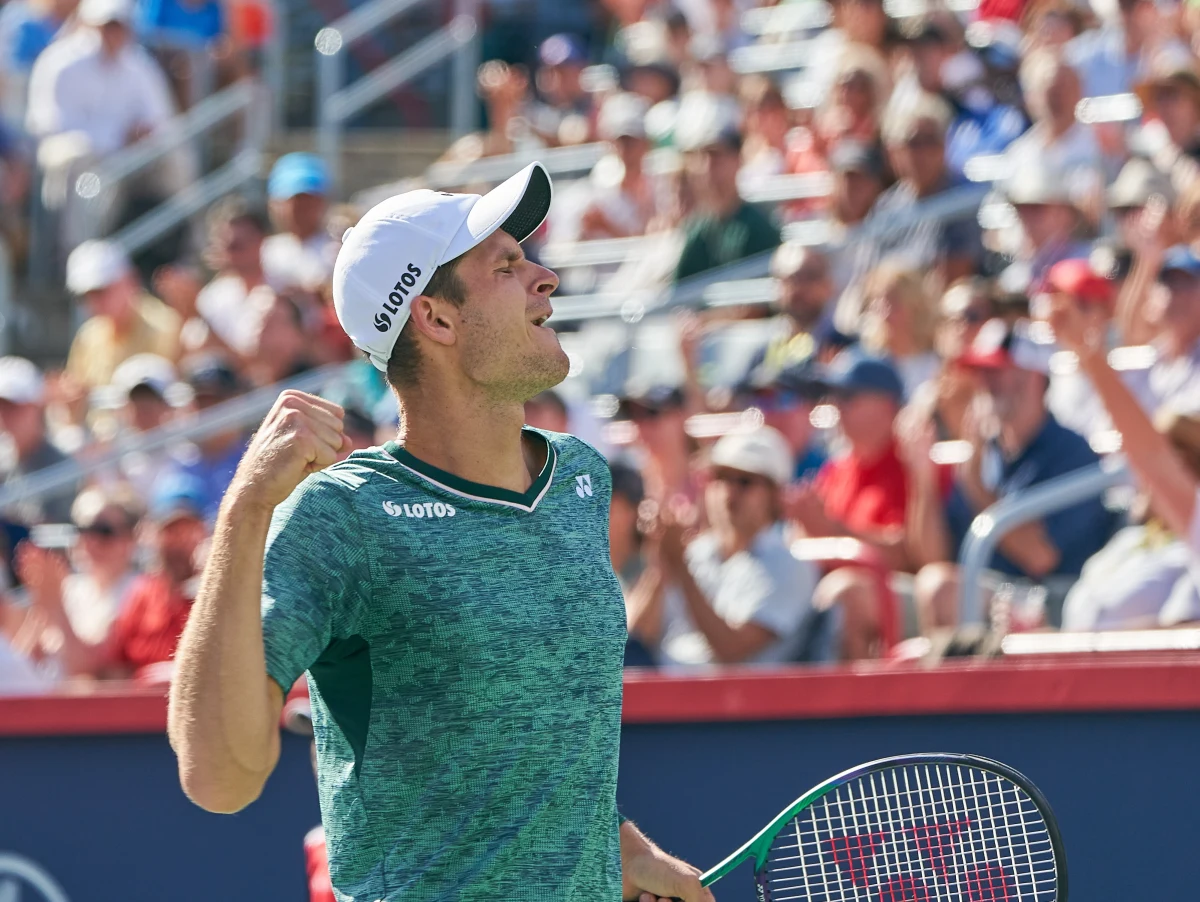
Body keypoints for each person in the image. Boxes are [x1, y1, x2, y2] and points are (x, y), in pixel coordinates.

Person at [166, 163, 713, 902]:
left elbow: (530, 742)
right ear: (437, 318)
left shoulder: (582, 479)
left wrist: (622, 849)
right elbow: (218, 778)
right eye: (508, 265)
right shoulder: (343, 518)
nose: (545, 277)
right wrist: (241, 518)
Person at [904, 318, 1115, 632]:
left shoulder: (1072, 453)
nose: (984, 383)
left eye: (995, 371)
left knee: (941, 590)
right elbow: (932, 557)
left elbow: (1040, 556)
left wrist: (974, 482)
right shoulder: (986, 451)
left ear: (1032, 377)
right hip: (989, 595)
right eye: (982, 373)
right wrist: (923, 479)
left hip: (1049, 604)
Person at [627, 425, 820, 666]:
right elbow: (632, 639)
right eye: (719, 477)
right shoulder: (697, 552)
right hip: (670, 694)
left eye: (744, 481)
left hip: (736, 700)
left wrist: (679, 565)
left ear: (775, 495)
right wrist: (660, 566)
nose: (729, 491)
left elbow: (730, 651)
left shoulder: (790, 565)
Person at [788, 351, 919, 658]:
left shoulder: (910, 466)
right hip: (835, 594)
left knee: (847, 592)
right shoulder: (833, 470)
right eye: (833, 398)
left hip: (898, 597)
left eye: (848, 397)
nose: (836, 408)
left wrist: (830, 530)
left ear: (887, 406)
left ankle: (849, 704)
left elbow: (907, 556)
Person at [18, 473, 205, 678]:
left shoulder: (138, 592)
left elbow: (90, 669)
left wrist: (54, 606)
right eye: (83, 529)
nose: (91, 541)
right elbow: (26, 662)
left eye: (104, 531)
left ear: (131, 539)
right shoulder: (67, 588)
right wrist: (42, 604)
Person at [673, 114, 781, 281]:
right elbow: (679, 292)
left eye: (716, 156)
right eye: (701, 157)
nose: (707, 166)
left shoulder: (758, 227)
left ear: (738, 160)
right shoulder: (695, 228)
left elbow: (757, 301)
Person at [64, 238, 182, 391]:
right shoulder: (88, 336)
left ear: (130, 279)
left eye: (101, 291)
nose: (93, 303)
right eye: (84, 296)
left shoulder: (167, 326)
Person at [155, 354, 249, 522]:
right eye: (201, 402)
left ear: (237, 401)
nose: (209, 412)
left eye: (217, 401)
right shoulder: (179, 463)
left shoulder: (255, 455)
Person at [0, 356, 76, 524]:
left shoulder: (62, 467)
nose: (6, 414)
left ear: (37, 405)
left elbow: (56, 532)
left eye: (14, 406)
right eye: (2, 406)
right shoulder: (3, 459)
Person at [194, 201, 270, 357]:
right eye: (228, 246)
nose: (234, 254)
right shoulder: (210, 299)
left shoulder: (290, 281)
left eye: (239, 245)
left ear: (262, 239)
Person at [859, 262, 941, 400]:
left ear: (915, 305)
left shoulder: (936, 364)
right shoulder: (865, 361)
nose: (885, 310)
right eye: (878, 300)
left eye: (893, 300)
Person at [262, 152, 337, 293]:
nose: (302, 210)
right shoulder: (262, 252)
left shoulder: (340, 250)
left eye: (310, 201)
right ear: (273, 204)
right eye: (293, 202)